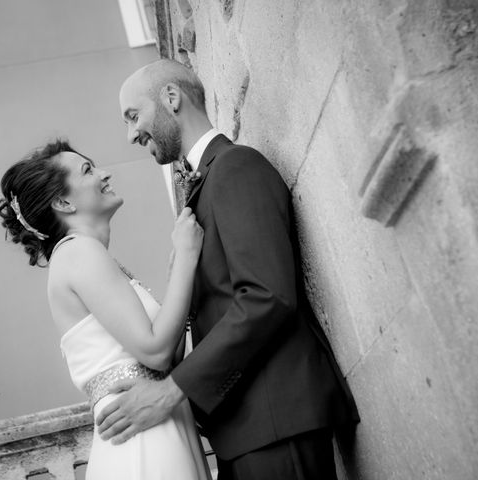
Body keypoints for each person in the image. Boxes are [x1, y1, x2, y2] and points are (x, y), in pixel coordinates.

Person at [96, 58, 360, 479]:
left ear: (171, 97)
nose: (131, 135)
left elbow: (266, 297)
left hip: (276, 423)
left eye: (133, 116)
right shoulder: (206, 182)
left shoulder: (236, 167)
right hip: (247, 431)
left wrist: (171, 392)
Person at [0, 140, 211, 480]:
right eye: (88, 170)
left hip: (155, 420)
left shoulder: (89, 256)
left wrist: (177, 281)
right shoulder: (77, 252)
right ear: (63, 202)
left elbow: (168, 359)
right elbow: (156, 352)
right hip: (141, 437)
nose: (105, 173)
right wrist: (186, 257)